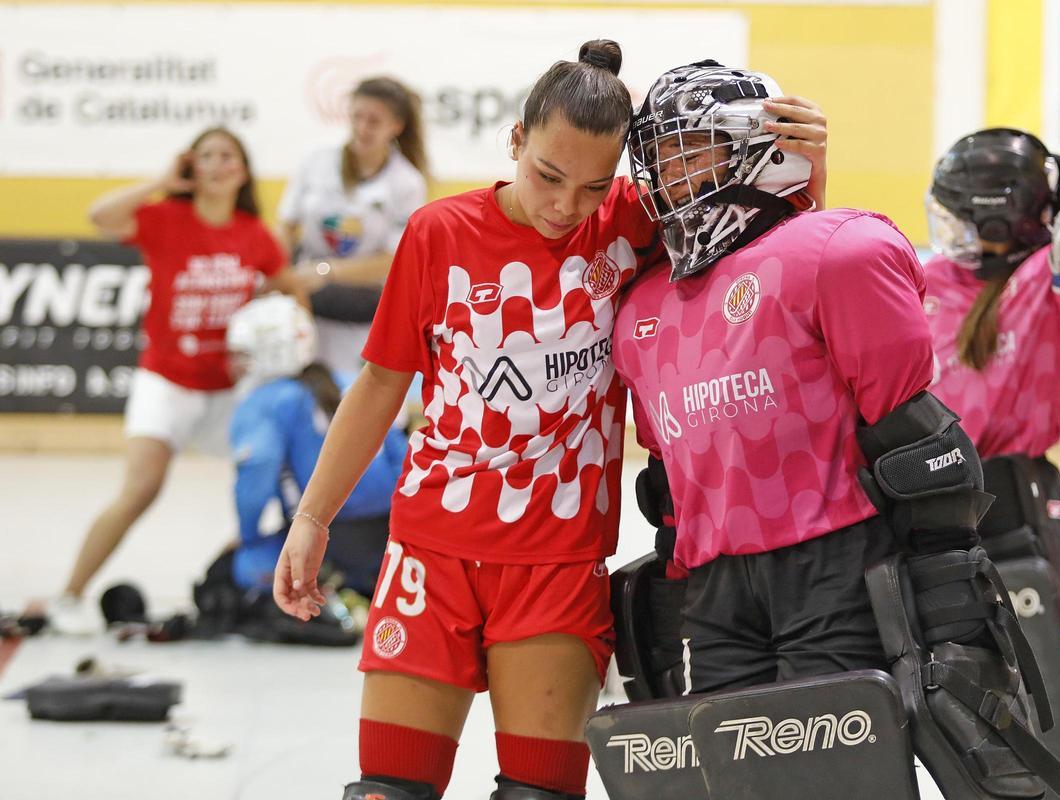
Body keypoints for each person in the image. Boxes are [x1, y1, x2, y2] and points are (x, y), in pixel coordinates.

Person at [272, 42, 829, 800]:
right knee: (386, 792)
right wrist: (313, 516)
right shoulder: (438, 233)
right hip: (430, 550)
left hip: (558, 562)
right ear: (515, 141)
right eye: (548, 175)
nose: (567, 206)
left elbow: (776, 254)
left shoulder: (634, 224)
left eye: (595, 186)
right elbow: (378, 384)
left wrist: (806, 162)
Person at [610, 62, 1060, 799]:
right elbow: (670, 477)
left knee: (836, 784)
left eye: (689, 148)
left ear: (754, 150)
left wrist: (947, 583)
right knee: (738, 786)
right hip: (715, 587)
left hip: (834, 564)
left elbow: (912, 433)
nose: (668, 174)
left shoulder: (840, 251)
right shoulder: (638, 309)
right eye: (660, 155)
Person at [922, 127, 1060, 795]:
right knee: (954, 682)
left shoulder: (1048, 284)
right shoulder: (928, 278)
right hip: (932, 495)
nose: (945, 228)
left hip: (1016, 495)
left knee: (1041, 677)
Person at [49, 128, 303, 634]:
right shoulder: (165, 218)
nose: (215, 164)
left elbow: (290, 294)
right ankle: (69, 595)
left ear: (243, 170)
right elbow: (101, 217)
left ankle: (256, 585)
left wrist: (265, 343)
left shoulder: (254, 233)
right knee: (141, 488)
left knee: (283, 483)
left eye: (226, 156)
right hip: (167, 382)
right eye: (204, 156)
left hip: (230, 392)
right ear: (191, 167)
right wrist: (162, 181)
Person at [191, 293, 407, 644]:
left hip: (329, 537)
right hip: (395, 535)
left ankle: (337, 583)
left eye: (241, 355)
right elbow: (402, 451)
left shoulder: (265, 401)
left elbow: (255, 478)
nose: (232, 365)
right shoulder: (353, 379)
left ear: (267, 353)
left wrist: (247, 537)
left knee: (234, 570)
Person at [278, 76, 429, 375]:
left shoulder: (407, 183)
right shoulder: (316, 161)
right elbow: (285, 227)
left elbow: (394, 260)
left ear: (396, 126)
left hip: (365, 313)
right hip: (307, 305)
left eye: (373, 121)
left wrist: (326, 271)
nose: (362, 128)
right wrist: (284, 279)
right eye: (356, 116)